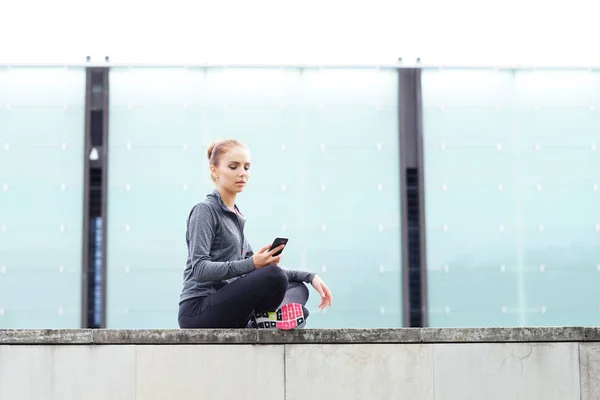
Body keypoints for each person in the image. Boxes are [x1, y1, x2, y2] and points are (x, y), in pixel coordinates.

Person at [178, 139, 333, 329]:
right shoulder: (205, 211)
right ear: (214, 170)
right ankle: (265, 321)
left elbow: (255, 269)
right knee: (274, 276)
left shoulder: (236, 217)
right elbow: (200, 269)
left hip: (228, 305)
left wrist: (309, 276)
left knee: (297, 287)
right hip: (198, 310)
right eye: (234, 167)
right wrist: (253, 264)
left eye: (246, 167)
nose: (242, 173)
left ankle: (262, 321)